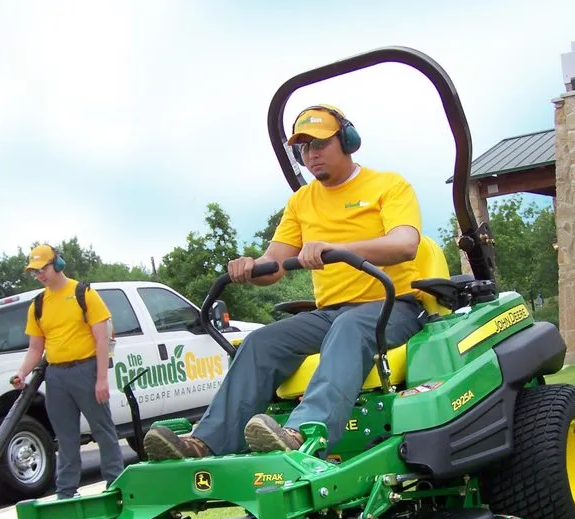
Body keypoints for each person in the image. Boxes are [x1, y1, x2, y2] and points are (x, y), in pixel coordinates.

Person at [144, 104, 429, 460]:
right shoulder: (301, 201)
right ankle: (205, 444)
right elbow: (275, 263)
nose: (312, 154)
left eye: (320, 144)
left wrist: (335, 248)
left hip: (394, 305)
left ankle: (303, 433)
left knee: (350, 328)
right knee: (259, 342)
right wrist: (252, 266)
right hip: (331, 314)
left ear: (347, 141)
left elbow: (405, 244)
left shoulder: (389, 185)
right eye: (304, 147)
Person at [13, 244, 124, 498]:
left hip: (86, 369)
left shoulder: (83, 293)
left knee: (103, 430)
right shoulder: (38, 304)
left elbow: (101, 340)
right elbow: (35, 348)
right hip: (56, 377)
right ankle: (66, 492)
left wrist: (101, 379)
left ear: (58, 264)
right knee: (65, 438)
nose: (40, 275)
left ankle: (116, 485)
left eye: (43, 268)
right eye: (35, 271)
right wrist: (22, 374)